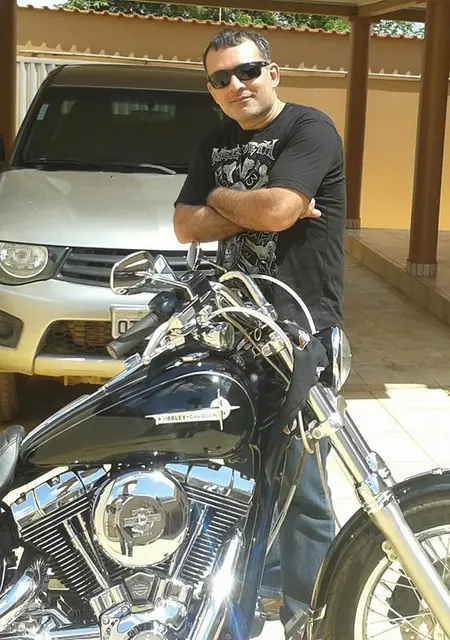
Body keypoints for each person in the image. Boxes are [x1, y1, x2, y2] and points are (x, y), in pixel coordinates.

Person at [173, 28, 346, 638]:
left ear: (273, 72)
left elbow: (275, 213)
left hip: (299, 331)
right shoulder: (214, 139)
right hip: (232, 334)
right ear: (211, 89)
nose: (236, 85)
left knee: (304, 486)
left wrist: (221, 199)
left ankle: (311, 615)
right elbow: (184, 225)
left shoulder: (309, 129)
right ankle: (260, 594)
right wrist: (256, 204)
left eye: (246, 71)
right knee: (240, 479)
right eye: (221, 78)